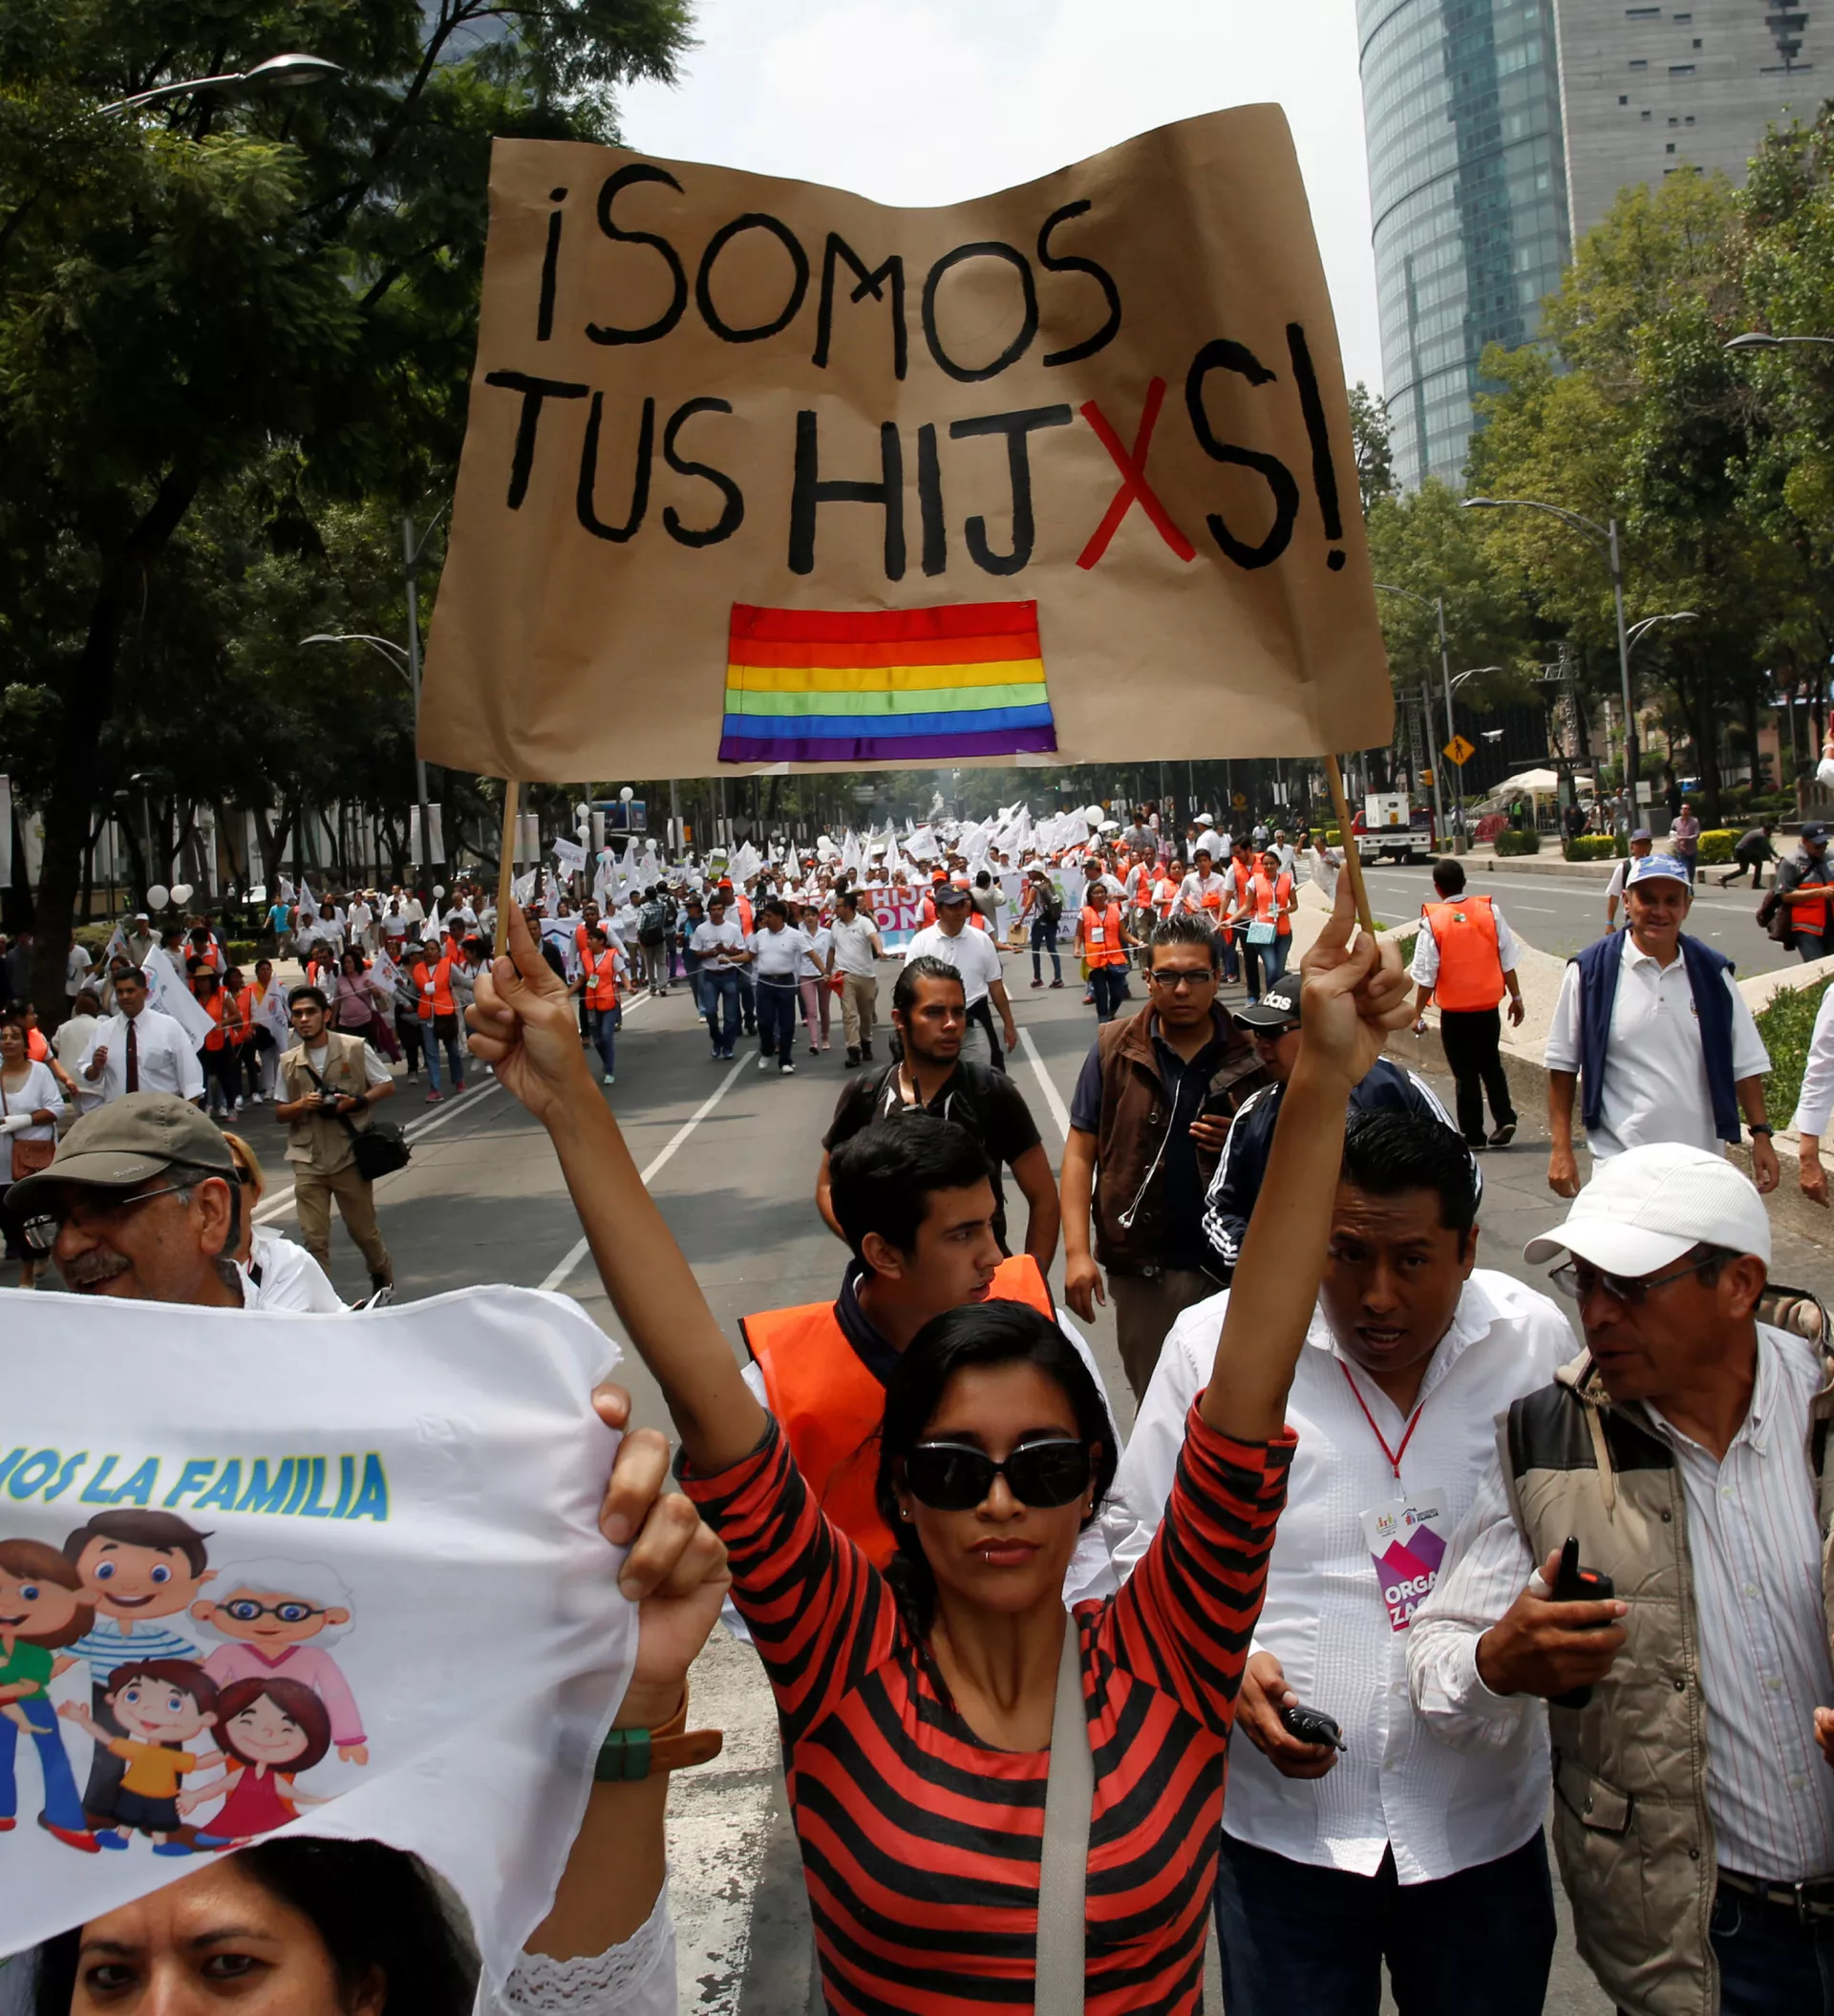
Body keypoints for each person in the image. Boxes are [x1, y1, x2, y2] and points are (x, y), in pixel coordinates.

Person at [463, 886, 1415, 2013]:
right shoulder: (842, 1660)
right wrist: (569, 1096)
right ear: (902, 1496)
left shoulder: (1173, 1652)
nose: (1001, 1502)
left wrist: (1324, 1079)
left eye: (1044, 1466)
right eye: (955, 1469)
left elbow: (1252, 1368)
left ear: (1093, 1486)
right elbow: (702, 1385)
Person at [1098, 1113, 1575, 2016]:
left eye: (1412, 1261)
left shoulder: (1534, 1345)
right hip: (1286, 1849)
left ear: (1469, 1249)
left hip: (1479, 1837)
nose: (1377, 1297)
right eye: (1347, 1255)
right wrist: (1223, 1664)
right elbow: (1130, 1543)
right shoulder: (1215, 1350)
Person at [1408, 1144, 1834, 2016]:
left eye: (1632, 1287)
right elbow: (1437, 1655)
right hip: (1708, 1947)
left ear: (1740, 1285)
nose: (1597, 1314)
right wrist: (1498, 1662)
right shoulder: (1546, 1445)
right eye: (1586, 1282)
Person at [1061, 913, 1271, 1397]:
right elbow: (1079, 1154)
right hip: (1144, 1275)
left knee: (1238, 1406)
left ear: (1217, 977)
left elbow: (1298, 1153)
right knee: (1158, 1404)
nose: (1182, 990)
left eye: (1196, 976)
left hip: (1236, 1272)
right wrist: (1076, 1254)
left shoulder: (1255, 1053)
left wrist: (1245, 1140)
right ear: (1148, 979)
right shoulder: (1113, 1048)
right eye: (1168, 976)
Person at [1546, 854, 1777, 1197]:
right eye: (1648, 899)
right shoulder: (1590, 972)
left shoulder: (1713, 975)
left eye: (1671, 901)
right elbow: (1562, 1065)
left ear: (1687, 906)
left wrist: (1760, 1134)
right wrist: (1560, 1148)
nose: (1660, 911)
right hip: (1620, 1169)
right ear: (1627, 901)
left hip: (1700, 1167)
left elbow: (1744, 1063)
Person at [1202, 980, 1457, 1277]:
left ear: (1323, 1028)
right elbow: (1220, 1209)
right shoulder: (1255, 1112)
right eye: (1258, 1034)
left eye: (1274, 1032)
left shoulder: (1398, 1087)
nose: (1262, 1045)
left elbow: (1463, 1175)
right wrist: (1264, 1261)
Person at [818, 958, 1061, 1269]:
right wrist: (874, 1252)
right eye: (934, 1012)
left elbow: (1044, 1199)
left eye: (958, 1012)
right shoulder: (866, 1094)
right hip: (896, 1293)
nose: (950, 1024)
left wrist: (1028, 1283)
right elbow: (827, 1186)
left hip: (983, 1288)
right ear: (900, 1019)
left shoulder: (990, 1092)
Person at [273, 985, 395, 1298]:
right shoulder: (288, 1061)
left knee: (363, 1232)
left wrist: (355, 1102)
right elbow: (280, 1111)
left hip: (349, 1156)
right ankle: (323, 1303)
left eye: (310, 1012)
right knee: (314, 1239)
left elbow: (385, 1084)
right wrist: (302, 1105)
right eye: (297, 1014)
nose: (304, 1019)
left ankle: (381, 1272)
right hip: (307, 1158)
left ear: (326, 1015)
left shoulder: (354, 1047)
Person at [1408, 856, 1525, 1149]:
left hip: (1455, 1012)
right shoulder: (1489, 912)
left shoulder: (1433, 922)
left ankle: (1473, 1134)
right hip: (1487, 1006)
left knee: (1465, 1073)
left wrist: (1416, 1013)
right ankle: (1505, 1117)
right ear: (1464, 883)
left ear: (1437, 888)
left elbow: (1427, 975)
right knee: (1491, 1064)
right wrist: (1516, 997)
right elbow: (1507, 959)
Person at [219, 1127, 343, 1313]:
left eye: (233, 1175)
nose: (220, 1189)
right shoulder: (178, 1274)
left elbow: (339, 1320)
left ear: (255, 1193)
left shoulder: (292, 1262)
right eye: (205, 1177)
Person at [902, 879, 1018, 1069]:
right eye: (952, 906)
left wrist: (1009, 1024)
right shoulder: (921, 941)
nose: (959, 911)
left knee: (989, 1074)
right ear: (939, 911)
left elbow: (996, 986)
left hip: (975, 1016)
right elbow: (909, 986)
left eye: (962, 905)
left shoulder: (982, 940)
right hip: (935, 1021)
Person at [76, 965, 203, 1107]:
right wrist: (95, 1068)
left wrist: (191, 1115)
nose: (124, 997)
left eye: (130, 991)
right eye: (119, 992)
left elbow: (191, 1080)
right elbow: (86, 1074)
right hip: (119, 1115)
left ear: (145, 993)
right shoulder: (104, 1030)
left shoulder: (169, 1027)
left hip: (161, 1115)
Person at [1, 1007, 65, 1289]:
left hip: (31, 1158)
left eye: (14, 1036)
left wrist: (23, 1120)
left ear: (25, 1045)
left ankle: (30, 1268)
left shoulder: (39, 1072)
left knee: (29, 1212)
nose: (8, 1041)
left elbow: (56, 1109)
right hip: (2, 1160)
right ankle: (32, 1254)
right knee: (8, 1216)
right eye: (3, 1037)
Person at [747, 895, 811, 1076]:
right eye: (764, 916)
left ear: (780, 917)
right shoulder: (760, 935)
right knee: (764, 1022)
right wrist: (728, 959)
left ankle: (785, 1060)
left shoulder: (795, 935)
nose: (765, 919)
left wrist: (824, 972)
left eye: (769, 916)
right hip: (764, 982)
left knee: (786, 1023)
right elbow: (750, 956)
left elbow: (811, 954)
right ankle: (767, 1050)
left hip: (785, 982)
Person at [689, 892, 749, 1062]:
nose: (716, 912)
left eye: (719, 909)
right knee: (710, 1011)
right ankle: (717, 1040)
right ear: (709, 911)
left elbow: (740, 951)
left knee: (730, 1016)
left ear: (724, 910)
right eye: (713, 909)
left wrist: (726, 951)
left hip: (729, 974)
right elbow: (696, 952)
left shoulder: (733, 928)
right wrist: (709, 953)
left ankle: (728, 1046)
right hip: (710, 975)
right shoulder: (701, 929)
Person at [829, 888, 885, 1065]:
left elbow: (873, 937)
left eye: (838, 906)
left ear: (849, 908)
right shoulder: (835, 925)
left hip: (866, 975)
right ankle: (853, 1050)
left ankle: (866, 1042)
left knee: (866, 1015)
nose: (835, 909)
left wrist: (879, 950)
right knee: (849, 1014)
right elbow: (831, 950)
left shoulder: (864, 922)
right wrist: (827, 972)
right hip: (845, 975)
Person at [1075, 876, 1141, 1023]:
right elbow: (1078, 935)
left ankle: (1112, 1011)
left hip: (1114, 959)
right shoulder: (1084, 913)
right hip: (1095, 960)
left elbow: (1124, 934)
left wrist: (1139, 943)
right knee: (1101, 992)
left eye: (1102, 892)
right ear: (1090, 897)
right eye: (1096, 893)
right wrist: (1077, 949)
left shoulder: (1115, 911)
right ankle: (1103, 1019)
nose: (1099, 895)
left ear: (1106, 895)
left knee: (1118, 992)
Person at [188, 962, 245, 1118]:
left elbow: (236, 1016)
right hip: (202, 1043)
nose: (201, 984)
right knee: (202, 1076)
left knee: (226, 1075)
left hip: (221, 1041)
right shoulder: (193, 998)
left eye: (204, 980)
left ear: (211, 980)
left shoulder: (222, 994)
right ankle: (206, 1105)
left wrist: (221, 1024)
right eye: (198, 980)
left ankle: (230, 1107)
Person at [1772, 821, 1834, 962]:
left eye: (1825, 844)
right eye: (1817, 845)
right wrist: (1819, 893)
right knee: (1817, 967)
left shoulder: (1831, 857)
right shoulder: (1791, 862)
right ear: (1805, 841)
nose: (1822, 849)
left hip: (1831, 925)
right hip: (1807, 928)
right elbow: (1785, 895)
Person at [573, 924, 624, 1085]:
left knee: (607, 1035)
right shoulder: (584, 956)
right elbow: (581, 979)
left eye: (591, 939)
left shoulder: (612, 955)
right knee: (597, 1040)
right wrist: (566, 994)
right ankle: (607, 1063)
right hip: (592, 1003)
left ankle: (609, 1071)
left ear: (601, 941)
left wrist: (629, 986)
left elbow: (623, 975)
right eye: (587, 939)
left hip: (609, 1001)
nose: (588, 941)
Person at [51, 987, 103, 1117]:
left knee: (77, 1119)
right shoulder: (102, 1027)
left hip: (70, 1083)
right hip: (94, 1085)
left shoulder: (64, 1027)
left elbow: (55, 1045)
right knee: (92, 1119)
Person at [1602, 827, 1653, 932]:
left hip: (1653, 919)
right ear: (1632, 847)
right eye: (1639, 844)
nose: (1643, 848)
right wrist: (1609, 923)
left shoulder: (1656, 867)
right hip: (1632, 921)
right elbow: (1614, 897)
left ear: (1650, 846)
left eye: (1646, 844)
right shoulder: (1624, 868)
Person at [1021, 868, 1065, 990]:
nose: (1028, 873)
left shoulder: (1035, 887)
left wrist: (1020, 920)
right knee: (1052, 949)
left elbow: (1029, 904)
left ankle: (1037, 978)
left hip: (1040, 921)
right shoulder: (1048, 884)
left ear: (1036, 872)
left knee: (1035, 950)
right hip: (1052, 921)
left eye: (1030, 871)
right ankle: (1058, 978)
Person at [1717, 819, 1778, 889]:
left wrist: (1777, 856)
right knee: (1743, 870)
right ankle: (1723, 878)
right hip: (1742, 852)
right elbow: (1765, 849)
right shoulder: (1761, 836)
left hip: (1745, 851)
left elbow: (1768, 847)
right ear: (1768, 830)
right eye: (1772, 831)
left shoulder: (1760, 832)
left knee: (1758, 863)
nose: (1772, 833)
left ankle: (1756, 884)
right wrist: (1770, 859)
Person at [1670, 798, 1701, 882]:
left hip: (1692, 849)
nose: (1683, 810)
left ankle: (1690, 884)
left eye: (1686, 809)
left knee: (1691, 870)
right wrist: (1673, 839)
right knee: (1684, 868)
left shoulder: (1694, 821)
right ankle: (1686, 886)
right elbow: (1672, 832)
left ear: (1690, 811)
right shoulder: (1675, 821)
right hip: (1681, 850)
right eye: (1682, 808)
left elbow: (1697, 835)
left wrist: (1685, 838)